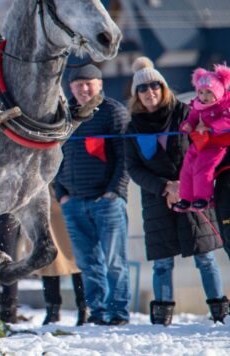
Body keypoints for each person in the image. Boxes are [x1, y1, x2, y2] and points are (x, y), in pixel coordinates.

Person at [125, 58, 227, 324]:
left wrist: (183, 185)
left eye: (155, 87)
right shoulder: (133, 126)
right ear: (137, 95)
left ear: (163, 88)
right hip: (158, 198)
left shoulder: (185, 113)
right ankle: (163, 315)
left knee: (205, 256)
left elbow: (202, 147)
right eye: (143, 89)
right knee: (163, 261)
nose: (150, 93)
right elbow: (134, 168)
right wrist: (165, 187)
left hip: (191, 190)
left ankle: (219, 312)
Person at [54, 64, 131, 326]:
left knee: (114, 261)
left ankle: (118, 312)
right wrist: (61, 193)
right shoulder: (64, 115)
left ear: (100, 84)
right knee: (88, 263)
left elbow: (125, 157)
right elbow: (52, 156)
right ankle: (97, 311)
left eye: (90, 83)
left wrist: (114, 192)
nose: (84, 89)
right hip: (73, 201)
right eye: (79, 85)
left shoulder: (113, 111)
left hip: (106, 201)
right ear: (71, 88)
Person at [173, 65, 230, 212]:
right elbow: (191, 119)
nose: (204, 96)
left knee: (202, 167)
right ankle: (185, 198)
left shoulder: (225, 104)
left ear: (218, 92)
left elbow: (227, 120)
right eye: (201, 92)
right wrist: (187, 126)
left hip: (217, 144)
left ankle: (203, 198)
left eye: (208, 92)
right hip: (200, 142)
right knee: (187, 167)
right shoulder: (198, 106)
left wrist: (211, 128)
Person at [37, 187, 87, 326]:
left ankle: (84, 308)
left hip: (69, 199)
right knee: (49, 260)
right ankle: (52, 309)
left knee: (77, 259)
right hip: (45, 203)